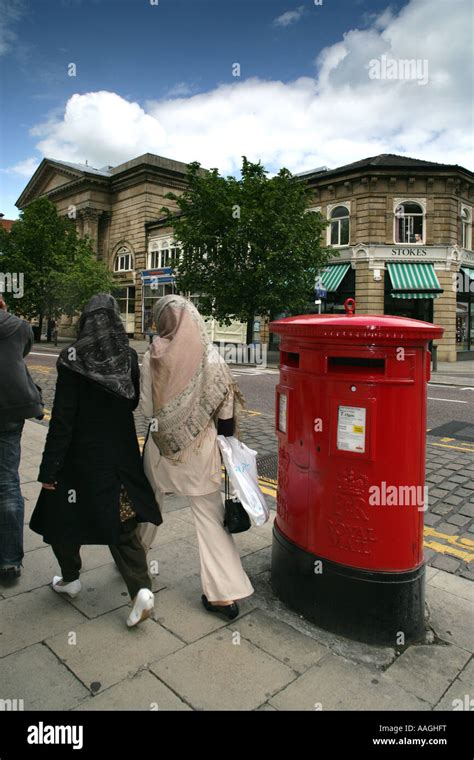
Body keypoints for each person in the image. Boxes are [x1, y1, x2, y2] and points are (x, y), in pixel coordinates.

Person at [30, 294, 162, 627]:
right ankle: (141, 590)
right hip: (118, 456)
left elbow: (62, 419)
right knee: (122, 521)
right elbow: (131, 404)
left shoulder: (71, 358)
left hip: (77, 458)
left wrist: (49, 469)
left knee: (61, 515)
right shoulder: (130, 357)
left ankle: (70, 578)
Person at [139, 295, 254, 620]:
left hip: (161, 452)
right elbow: (228, 420)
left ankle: (134, 563)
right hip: (202, 454)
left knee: (148, 507)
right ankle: (223, 595)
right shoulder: (213, 357)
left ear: (163, 321)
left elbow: (146, 410)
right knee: (211, 521)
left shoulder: (153, 356)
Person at [0, 296, 43, 582]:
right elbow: (22, 351)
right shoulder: (19, 327)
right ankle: (10, 561)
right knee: (7, 482)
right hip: (10, 410)